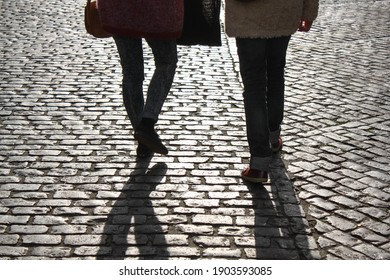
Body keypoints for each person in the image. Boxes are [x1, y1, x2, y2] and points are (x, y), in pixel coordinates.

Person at [225, 0, 319, 183]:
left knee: (254, 87)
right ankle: (273, 137)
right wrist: (309, 12)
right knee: (275, 76)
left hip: (248, 13)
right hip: (283, 11)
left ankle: (259, 163)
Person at [114, 37, 177, 158]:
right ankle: (146, 125)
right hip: (157, 18)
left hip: (121, 18)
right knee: (166, 62)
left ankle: (143, 137)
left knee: (131, 71)